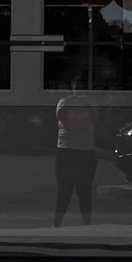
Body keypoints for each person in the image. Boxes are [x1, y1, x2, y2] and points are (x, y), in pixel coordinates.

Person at [53, 90, 97, 226]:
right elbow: (63, 120)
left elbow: (93, 120)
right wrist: (71, 103)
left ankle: (85, 223)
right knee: (66, 191)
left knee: (83, 191)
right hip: (69, 150)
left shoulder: (89, 104)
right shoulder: (64, 102)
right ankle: (58, 223)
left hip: (82, 151)